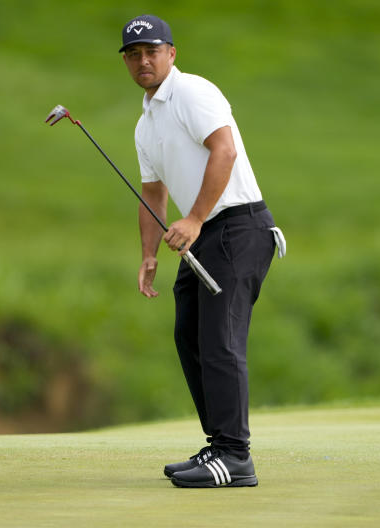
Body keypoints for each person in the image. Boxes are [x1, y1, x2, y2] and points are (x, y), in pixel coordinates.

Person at [119, 15, 285, 488]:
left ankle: (236, 457)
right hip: (205, 233)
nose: (143, 60)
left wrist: (192, 219)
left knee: (219, 340)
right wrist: (149, 255)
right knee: (189, 335)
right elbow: (153, 193)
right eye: (134, 54)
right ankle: (219, 444)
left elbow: (225, 151)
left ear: (171, 53)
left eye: (152, 50)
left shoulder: (192, 92)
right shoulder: (145, 123)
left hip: (238, 226)